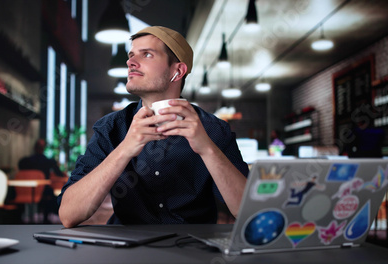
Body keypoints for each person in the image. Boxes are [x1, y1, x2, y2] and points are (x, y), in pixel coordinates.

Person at [58, 26, 249, 227]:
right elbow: (69, 215)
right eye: (131, 55)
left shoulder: (214, 130)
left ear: (177, 71)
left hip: (193, 249)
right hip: (126, 249)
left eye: (147, 54)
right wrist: (124, 149)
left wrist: (207, 149)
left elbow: (247, 213)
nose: (130, 62)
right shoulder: (111, 127)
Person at [18, 139, 64, 223]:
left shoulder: (25, 161)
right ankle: (48, 219)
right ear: (43, 148)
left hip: (24, 191)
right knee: (54, 196)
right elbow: (59, 174)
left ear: (34, 148)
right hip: (43, 191)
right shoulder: (49, 162)